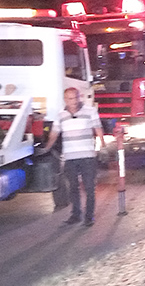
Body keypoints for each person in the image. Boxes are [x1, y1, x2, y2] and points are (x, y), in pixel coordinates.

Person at [42, 87, 104, 227]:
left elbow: (98, 128)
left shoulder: (90, 111)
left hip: (87, 156)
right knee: (73, 188)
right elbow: (54, 133)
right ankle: (76, 215)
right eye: (70, 99)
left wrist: (103, 146)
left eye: (76, 97)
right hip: (70, 157)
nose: (74, 101)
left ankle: (89, 217)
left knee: (89, 187)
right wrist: (47, 148)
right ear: (65, 100)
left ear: (79, 97)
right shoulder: (61, 115)